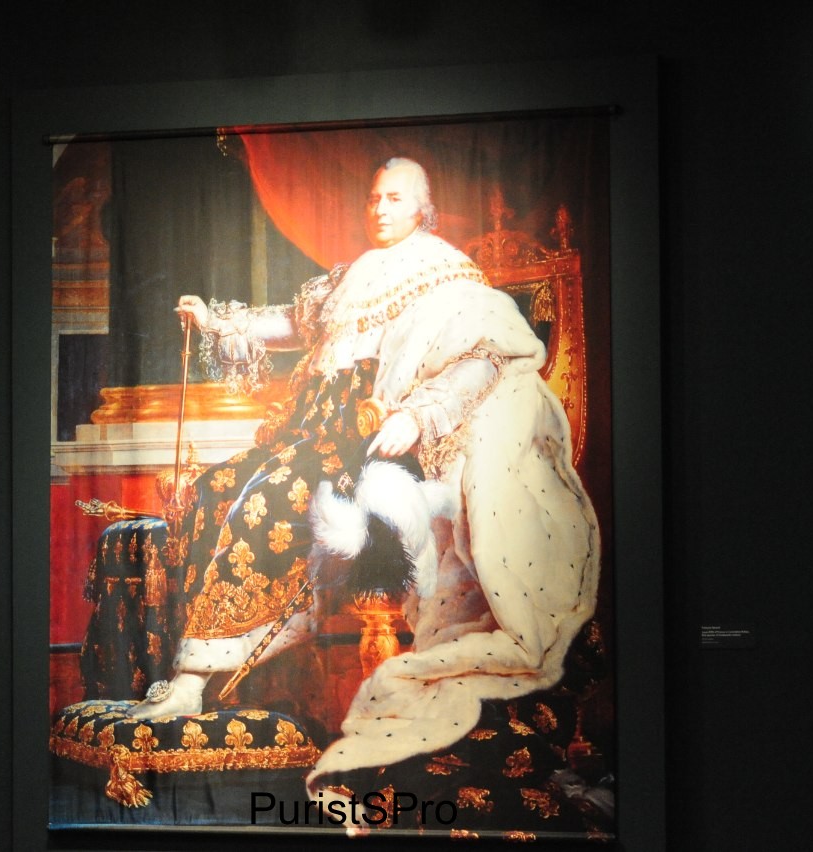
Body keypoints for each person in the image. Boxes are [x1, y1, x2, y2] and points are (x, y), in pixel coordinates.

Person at [130, 157, 600, 803]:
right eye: (375, 197)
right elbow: (296, 324)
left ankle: (193, 679)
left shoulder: (448, 276)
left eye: (396, 199)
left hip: (377, 441)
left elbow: (484, 359)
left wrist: (418, 415)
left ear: (424, 210)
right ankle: (234, 684)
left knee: (267, 501)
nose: (380, 208)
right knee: (215, 490)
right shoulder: (354, 274)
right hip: (312, 432)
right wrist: (219, 322)